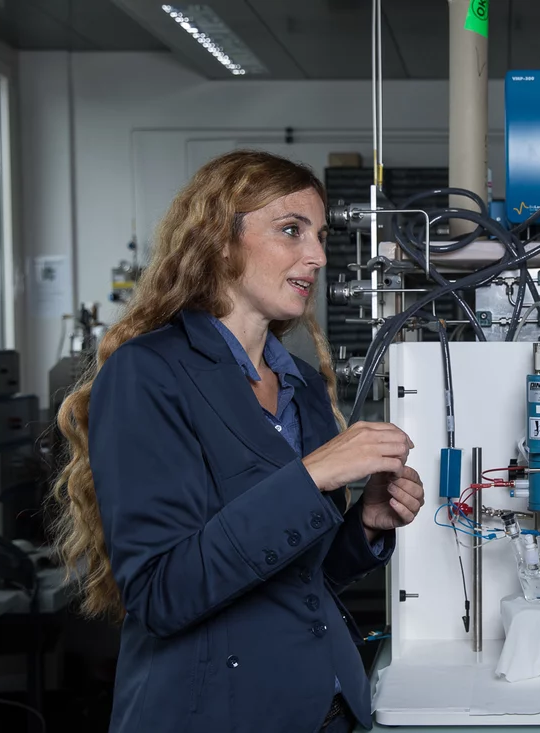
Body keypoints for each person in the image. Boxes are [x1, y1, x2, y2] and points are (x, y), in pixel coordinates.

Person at [50, 150, 426, 733]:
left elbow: (304, 576)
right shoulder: (148, 373)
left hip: (330, 709)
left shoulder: (298, 384)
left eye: (320, 236)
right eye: (290, 230)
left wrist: (368, 525)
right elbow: (162, 593)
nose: (318, 256)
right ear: (220, 243)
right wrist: (312, 476)